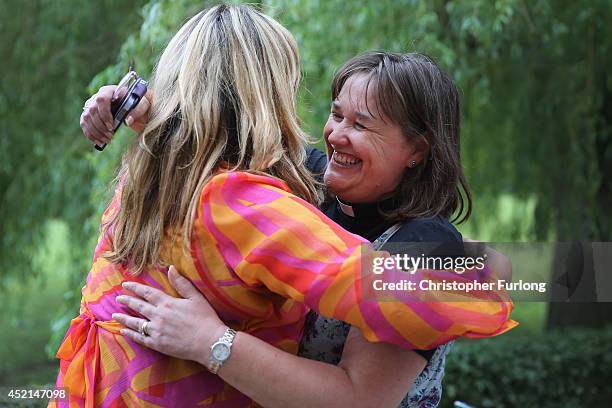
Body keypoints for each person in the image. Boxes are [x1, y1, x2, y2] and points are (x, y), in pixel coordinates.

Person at [67, 5, 516, 408]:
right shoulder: (314, 179)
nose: (336, 135)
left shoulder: (426, 242)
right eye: (337, 114)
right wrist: (143, 108)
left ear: (417, 149)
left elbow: (360, 400)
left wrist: (209, 340)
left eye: (363, 125)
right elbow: (222, 134)